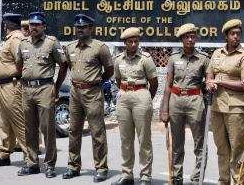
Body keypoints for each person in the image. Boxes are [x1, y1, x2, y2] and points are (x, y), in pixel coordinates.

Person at [62, 14, 114, 182]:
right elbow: (69, 66)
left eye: (83, 27)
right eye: (77, 27)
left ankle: (101, 168)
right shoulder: (69, 47)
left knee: (97, 131)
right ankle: (73, 166)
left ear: (91, 28)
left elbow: (109, 70)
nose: (79, 29)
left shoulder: (100, 47)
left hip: (92, 93)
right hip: (75, 92)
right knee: (74, 130)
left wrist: (96, 81)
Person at [17, 12, 68, 178]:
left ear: (44, 26)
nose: (33, 27)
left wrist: (57, 86)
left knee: (47, 128)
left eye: (37, 24)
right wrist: (22, 81)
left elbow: (63, 64)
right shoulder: (23, 43)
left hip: (45, 88)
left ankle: (49, 164)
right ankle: (32, 163)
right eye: (31, 24)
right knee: (29, 128)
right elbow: (19, 65)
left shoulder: (51, 42)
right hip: (27, 89)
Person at [160, 23, 209, 185]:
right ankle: (176, 177)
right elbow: (167, 86)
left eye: (192, 36)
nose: (190, 39)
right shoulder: (173, 59)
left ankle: (197, 178)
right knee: (177, 143)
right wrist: (164, 109)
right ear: (181, 39)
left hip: (195, 100)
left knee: (199, 142)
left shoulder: (203, 59)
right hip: (175, 101)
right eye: (187, 37)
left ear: (196, 38)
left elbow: (208, 82)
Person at [205, 19, 244, 185]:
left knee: (238, 150)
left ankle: (239, 182)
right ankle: (223, 181)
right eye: (233, 34)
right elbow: (209, 74)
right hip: (217, 107)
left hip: (236, 108)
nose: (236, 37)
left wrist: (220, 82)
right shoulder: (217, 53)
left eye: (238, 34)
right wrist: (209, 82)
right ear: (226, 36)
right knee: (221, 149)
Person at [112, 27, 158, 185]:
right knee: (125, 139)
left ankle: (145, 176)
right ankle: (127, 175)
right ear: (124, 43)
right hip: (123, 97)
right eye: (130, 42)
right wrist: (124, 91)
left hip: (141, 95)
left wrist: (146, 98)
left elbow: (154, 82)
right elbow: (118, 80)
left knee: (143, 138)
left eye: (136, 41)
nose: (133, 44)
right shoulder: (118, 59)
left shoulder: (145, 58)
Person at [0, 13, 28, 169]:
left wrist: (15, 75)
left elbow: (22, 61)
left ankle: (29, 157)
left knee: (19, 121)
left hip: (12, 85)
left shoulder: (16, 39)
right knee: (5, 122)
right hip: (3, 85)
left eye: (4, 23)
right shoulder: (11, 39)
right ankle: (5, 154)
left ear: (7, 24)